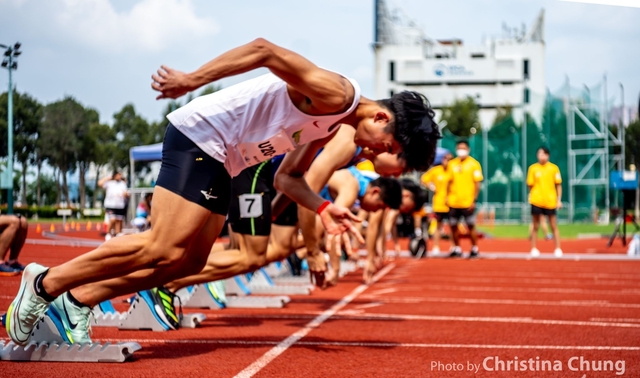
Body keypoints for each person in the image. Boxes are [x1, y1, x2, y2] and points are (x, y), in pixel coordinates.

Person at [6, 38, 440, 345]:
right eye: (388, 148)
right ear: (382, 118)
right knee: (163, 245)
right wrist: (191, 80)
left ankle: (79, 301)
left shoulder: (332, 125)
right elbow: (265, 50)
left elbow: (288, 179)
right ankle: (44, 284)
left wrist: (323, 208)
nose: (376, 154)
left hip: (227, 160)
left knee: (189, 260)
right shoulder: (337, 93)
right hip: (203, 136)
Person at [446, 140, 483, 258]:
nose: (461, 150)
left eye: (463, 148)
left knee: (471, 226)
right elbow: (449, 182)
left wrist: (474, 200)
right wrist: (446, 196)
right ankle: (456, 248)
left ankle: (474, 248)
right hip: (453, 201)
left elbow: (477, 183)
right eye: (459, 148)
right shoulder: (452, 164)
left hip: (467, 202)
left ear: (468, 149)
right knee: (453, 226)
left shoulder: (474, 164)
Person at [527, 146, 563, 257]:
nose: (540, 156)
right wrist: (532, 195)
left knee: (553, 225)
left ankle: (558, 248)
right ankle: (533, 248)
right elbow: (530, 184)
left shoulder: (554, 168)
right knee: (535, 225)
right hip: (536, 200)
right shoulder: (533, 168)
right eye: (539, 154)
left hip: (550, 201)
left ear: (547, 155)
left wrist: (559, 200)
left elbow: (558, 185)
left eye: (543, 154)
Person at [421, 149, 452, 254]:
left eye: (449, 159)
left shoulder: (454, 171)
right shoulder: (436, 170)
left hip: (452, 203)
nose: (447, 161)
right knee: (438, 226)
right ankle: (436, 247)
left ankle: (454, 247)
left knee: (453, 226)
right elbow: (424, 179)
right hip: (439, 203)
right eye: (445, 158)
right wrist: (430, 186)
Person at [99, 171, 129, 240]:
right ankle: (108, 233)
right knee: (112, 219)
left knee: (119, 220)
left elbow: (125, 192)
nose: (120, 176)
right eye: (118, 175)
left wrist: (126, 195)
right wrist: (108, 178)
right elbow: (100, 183)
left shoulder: (122, 183)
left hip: (120, 205)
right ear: (115, 175)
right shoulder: (109, 183)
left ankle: (117, 233)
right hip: (111, 205)